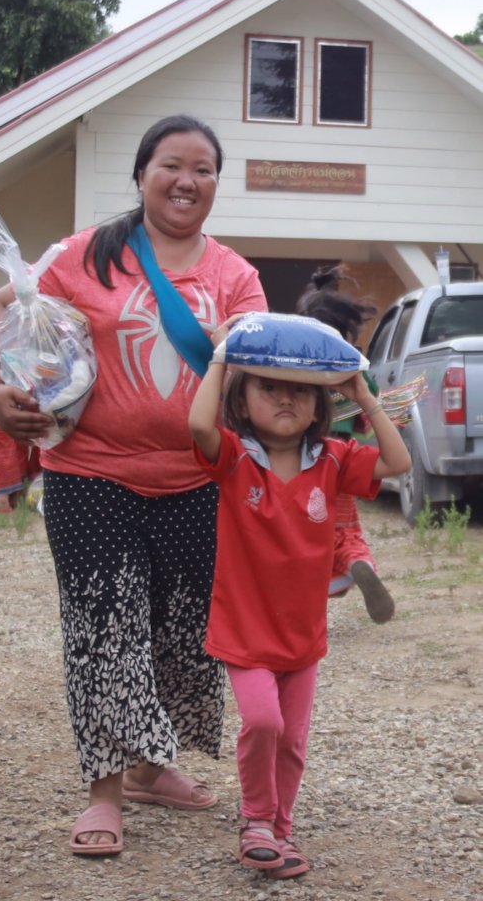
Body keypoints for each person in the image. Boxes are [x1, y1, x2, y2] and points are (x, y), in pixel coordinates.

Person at [0, 114, 268, 857]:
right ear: (141, 175)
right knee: (105, 628)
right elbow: (1, 307)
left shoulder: (235, 275)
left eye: (204, 169)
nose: (187, 181)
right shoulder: (87, 254)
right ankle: (104, 791)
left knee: (184, 636)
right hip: (91, 476)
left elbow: (259, 364)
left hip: (199, 482)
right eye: (172, 164)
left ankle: (148, 765)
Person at [188, 342, 411, 877]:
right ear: (240, 401)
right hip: (243, 626)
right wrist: (222, 359)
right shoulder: (233, 456)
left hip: (303, 635)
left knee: (291, 737)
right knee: (263, 722)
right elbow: (198, 425)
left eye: (298, 390)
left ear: (320, 404)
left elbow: (397, 462)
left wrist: (364, 395)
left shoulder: (334, 458)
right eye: (268, 387)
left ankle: (280, 831)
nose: (285, 399)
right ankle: (257, 822)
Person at [296, 264, 395, 623]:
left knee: (306, 530)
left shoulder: (297, 368)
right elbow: (368, 422)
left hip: (298, 462)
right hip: (341, 461)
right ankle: (358, 563)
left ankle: (310, 596)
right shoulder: (354, 369)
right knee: (345, 529)